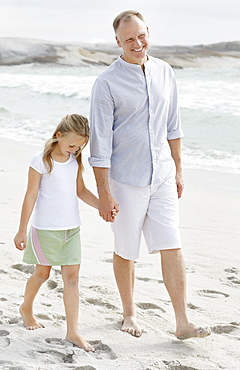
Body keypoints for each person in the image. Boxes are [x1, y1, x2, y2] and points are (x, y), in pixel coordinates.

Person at [89, 10, 211, 340]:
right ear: (118, 42)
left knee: (172, 244)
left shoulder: (165, 72)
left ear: (148, 32)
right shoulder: (106, 83)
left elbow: (173, 126)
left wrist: (179, 170)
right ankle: (129, 312)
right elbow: (100, 145)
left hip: (163, 177)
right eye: (129, 39)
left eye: (141, 35)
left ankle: (182, 321)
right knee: (127, 249)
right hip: (125, 180)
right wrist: (104, 193)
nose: (137, 43)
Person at [14, 114, 102, 352]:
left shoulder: (75, 160)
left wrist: (101, 205)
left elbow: (80, 190)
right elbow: (30, 195)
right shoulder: (40, 161)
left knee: (72, 279)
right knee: (42, 274)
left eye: (80, 146)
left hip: (71, 229)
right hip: (45, 230)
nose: (75, 150)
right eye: (72, 145)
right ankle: (26, 307)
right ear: (58, 135)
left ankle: (73, 331)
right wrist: (22, 230)